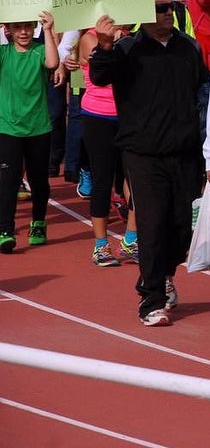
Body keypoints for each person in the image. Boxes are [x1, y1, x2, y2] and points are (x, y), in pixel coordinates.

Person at [89, 0, 209, 326]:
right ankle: (151, 299)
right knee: (152, 224)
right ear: (144, 13)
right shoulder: (127, 48)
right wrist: (105, 44)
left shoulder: (188, 47)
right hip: (142, 153)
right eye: (159, 8)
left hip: (185, 152)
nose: (167, 13)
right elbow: (99, 75)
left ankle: (165, 272)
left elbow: (203, 90)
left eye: (169, 7)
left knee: (181, 228)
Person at [77, 19, 139, 266]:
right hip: (98, 117)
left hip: (128, 116)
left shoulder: (134, 38)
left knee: (135, 178)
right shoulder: (90, 38)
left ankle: (131, 240)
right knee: (102, 180)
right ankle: (101, 246)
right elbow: (106, 68)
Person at [0, 11, 58, 253]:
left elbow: (53, 64)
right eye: (18, 27)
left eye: (27, 27)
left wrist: (47, 30)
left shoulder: (39, 51)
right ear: (8, 30)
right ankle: (5, 229)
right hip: (8, 128)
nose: (23, 32)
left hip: (38, 127)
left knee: (38, 180)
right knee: (8, 181)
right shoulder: (4, 54)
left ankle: (38, 222)